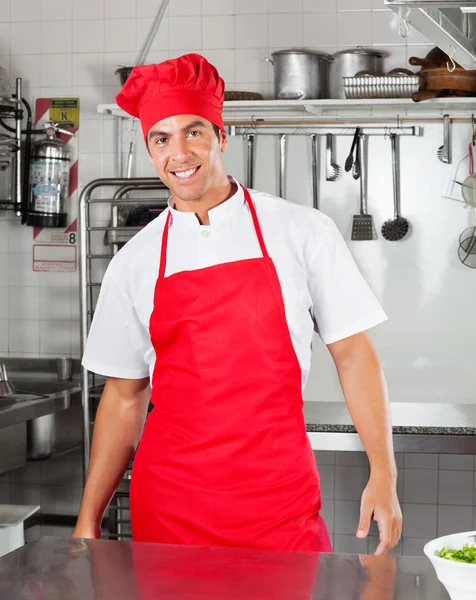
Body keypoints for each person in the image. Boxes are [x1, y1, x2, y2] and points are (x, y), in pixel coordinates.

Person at [73, 53, 402, 554]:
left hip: (277, 501)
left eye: (193, 132)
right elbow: (123, 397)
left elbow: (354, 354)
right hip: (170, 508)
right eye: (161, 139)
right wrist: (87, 520)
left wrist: (384, 470)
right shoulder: (134, 262)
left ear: (222, 137)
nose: (179, 152)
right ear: (150, 151)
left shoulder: (299, 229)